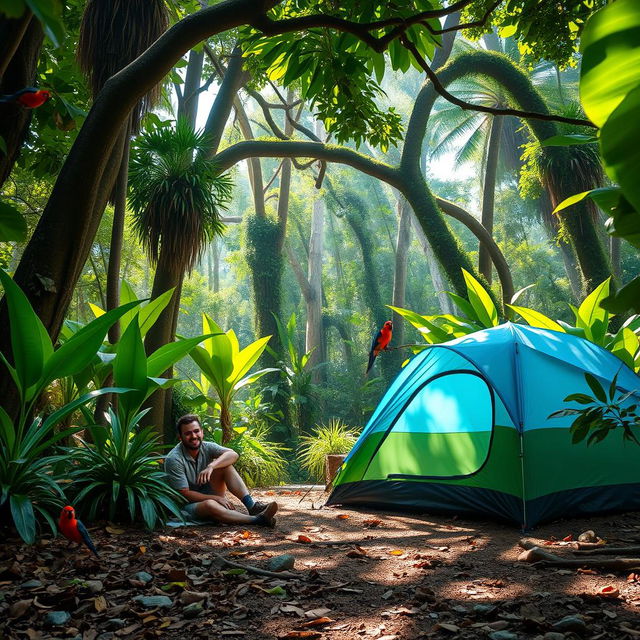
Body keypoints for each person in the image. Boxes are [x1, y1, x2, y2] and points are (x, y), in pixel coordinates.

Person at [164, 414, 278, 527]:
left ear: (202, 432)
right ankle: (257, 520)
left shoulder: (207, 447)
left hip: (209, 493)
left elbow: (233, 455)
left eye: (196, 431)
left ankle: (252, 507)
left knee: (225, 466)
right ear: (180, 437)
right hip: (187, 506)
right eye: (188, 433)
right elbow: (184, 493)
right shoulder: (174, 459)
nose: (194, 436)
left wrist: (211, 466)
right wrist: (216, 498)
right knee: (210, 504)